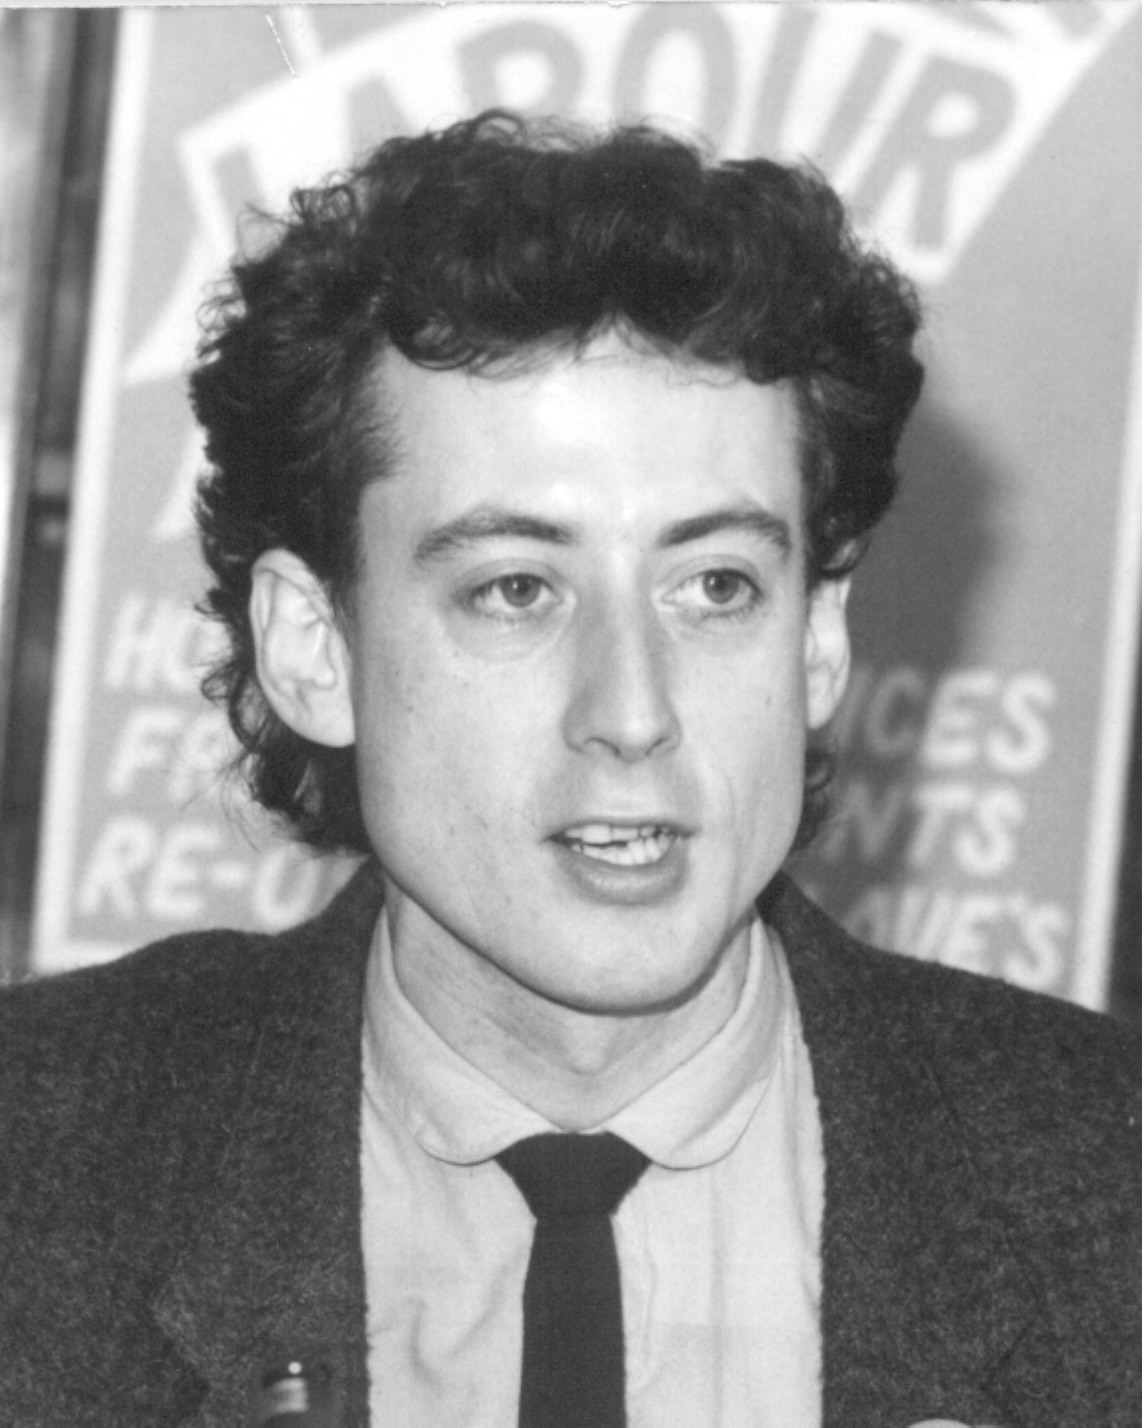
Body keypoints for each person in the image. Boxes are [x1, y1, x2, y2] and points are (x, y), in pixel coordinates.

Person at [1, 110, 1139, 1428]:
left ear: (817, 639)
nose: (632, 714)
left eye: (715, 585)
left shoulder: (1102, 1191)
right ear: (313, 647)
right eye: (515, 590)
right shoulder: (37, 1166)